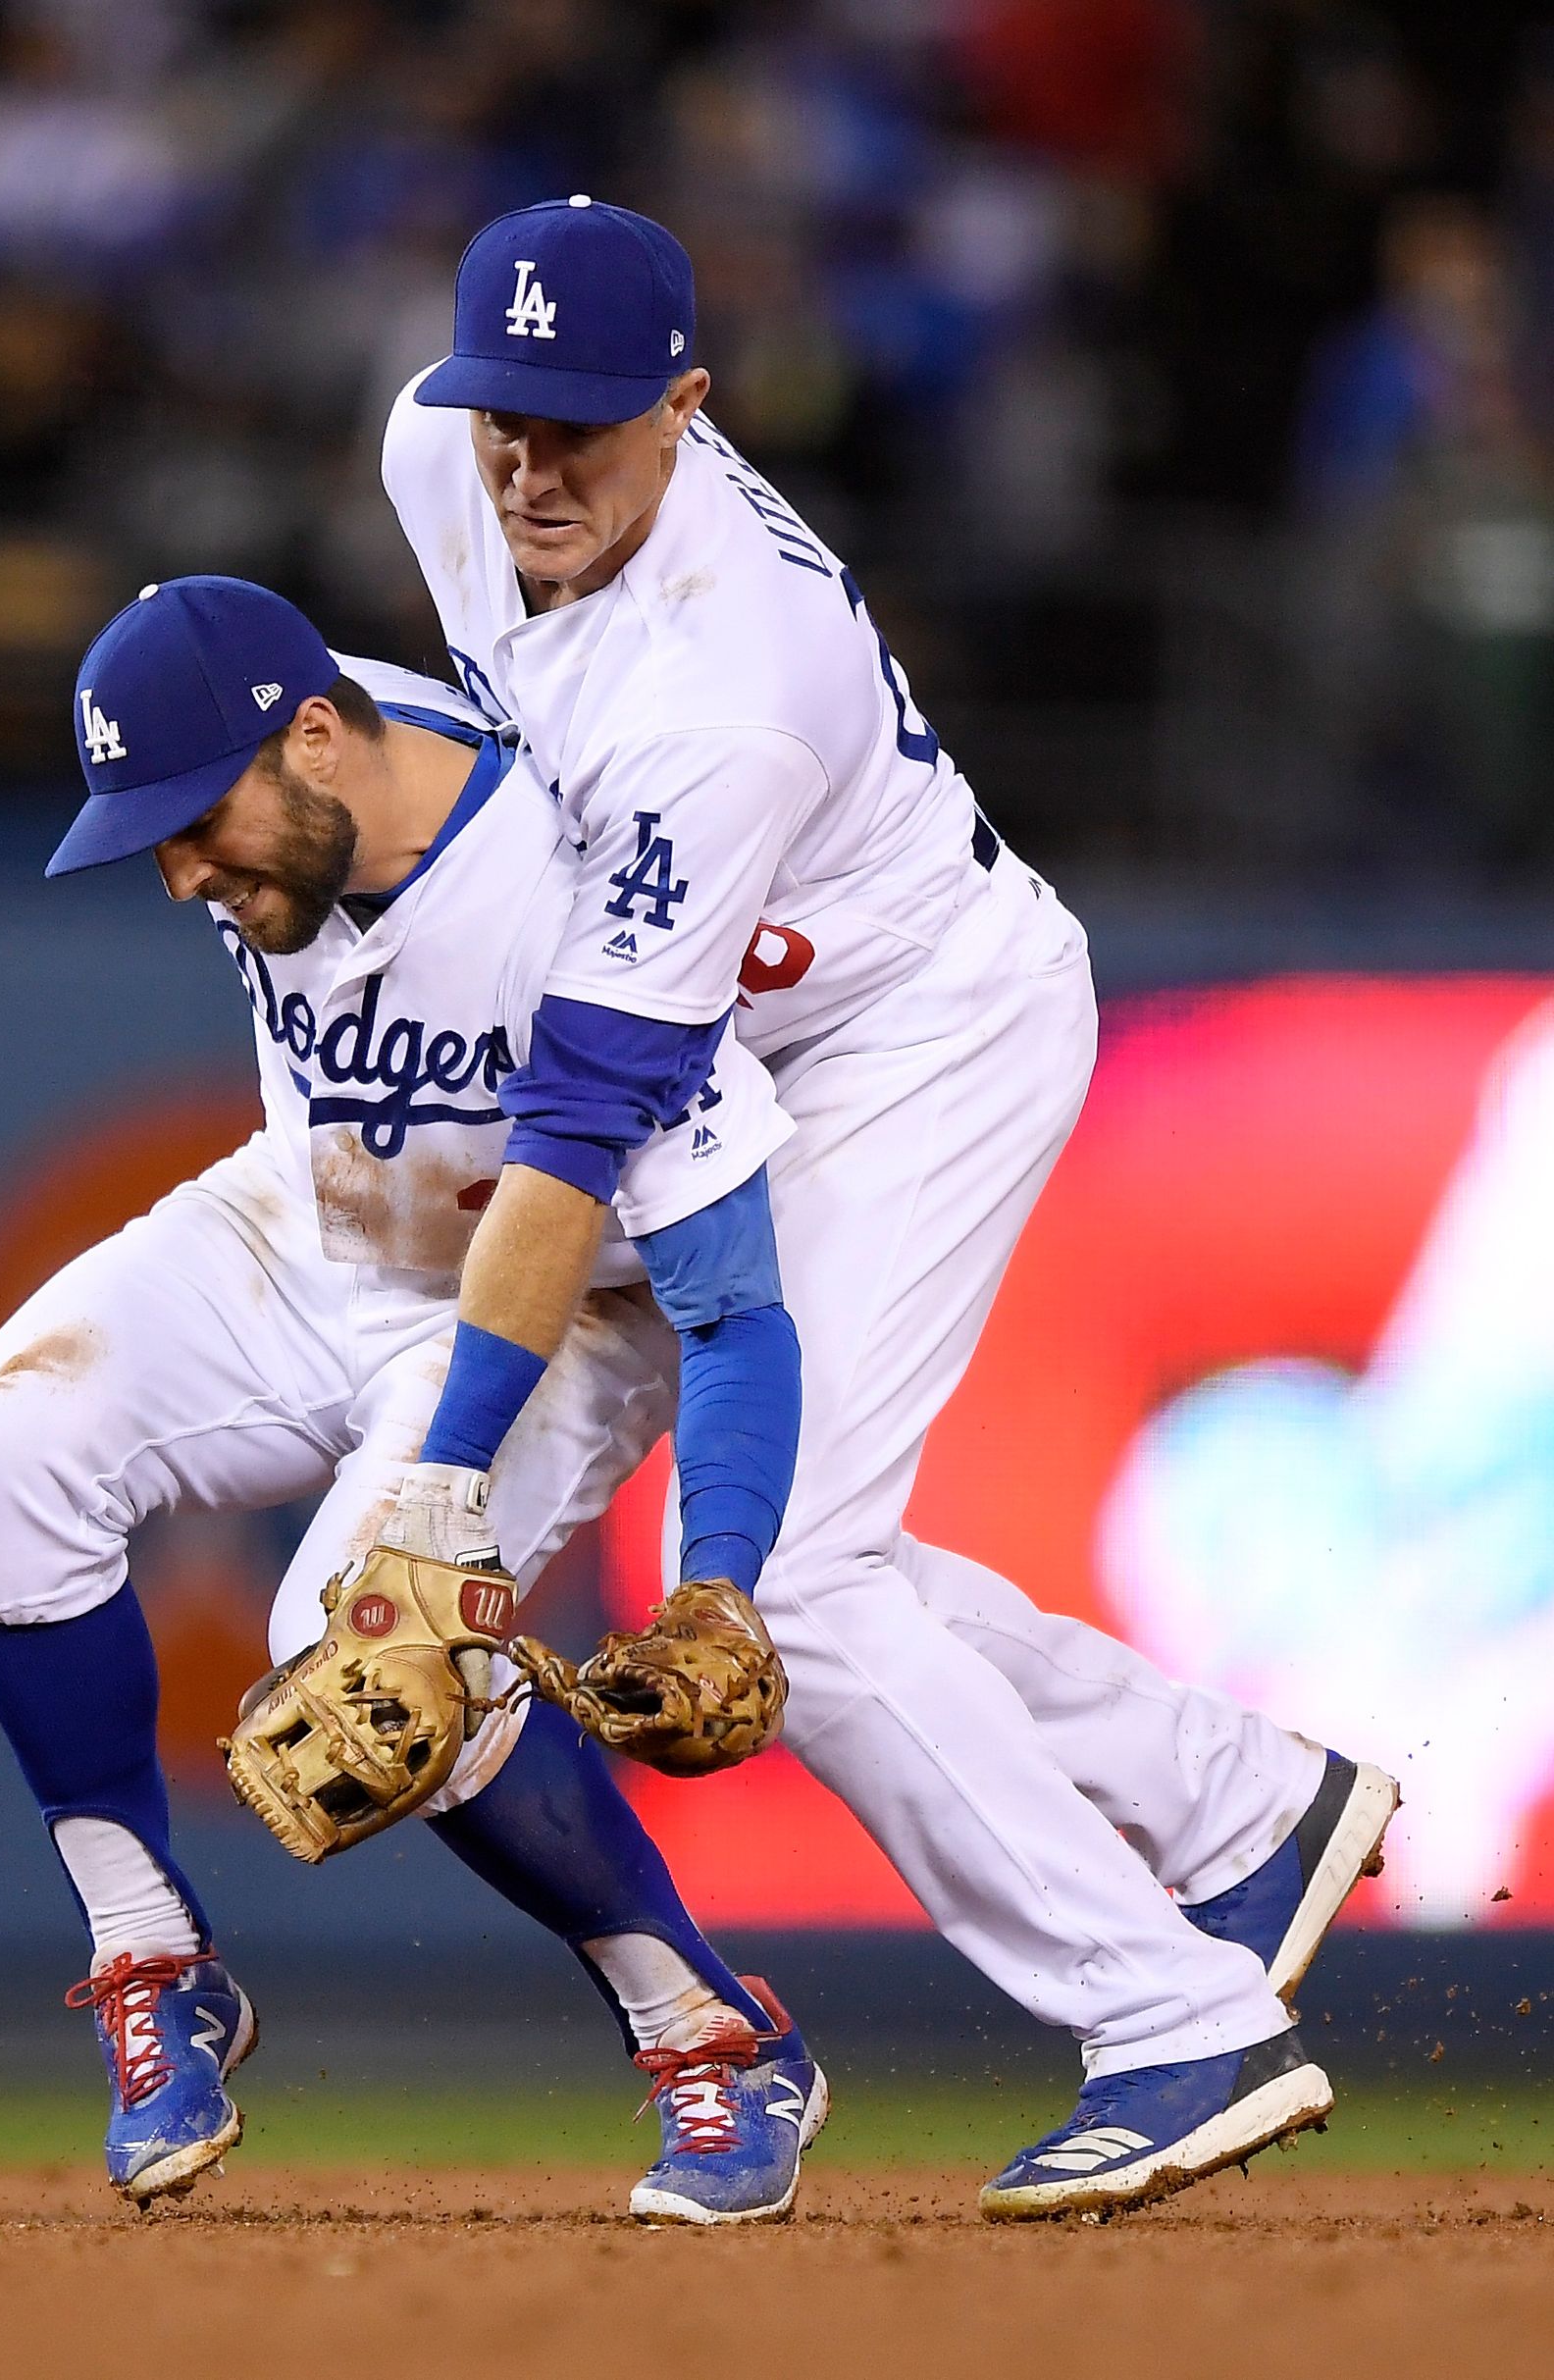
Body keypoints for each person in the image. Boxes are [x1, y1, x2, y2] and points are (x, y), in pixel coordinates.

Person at [376, 195, 1399, 2219]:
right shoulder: (440, 453)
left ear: (690, 405)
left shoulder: (721, 696)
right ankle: (1240, 1802)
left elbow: (584, 1126)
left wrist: (434, 1493)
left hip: (925, 1027)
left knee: (792, 1592)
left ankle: (1169, 2014)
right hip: (786, 1012)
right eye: (508, 412)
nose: (529, 464)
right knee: (837, 1556)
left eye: (582, 422)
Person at [0, 575, 825, 2226]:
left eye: (195, 822)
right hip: (315, 1212)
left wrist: (724, 1575)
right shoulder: (314, 759)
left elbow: (738, 1307)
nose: (180, 871)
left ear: (319, 738)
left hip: (549, 1304)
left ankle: (713, 2035)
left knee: (365, 1647)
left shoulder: (592, 903)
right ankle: (153, 1958)